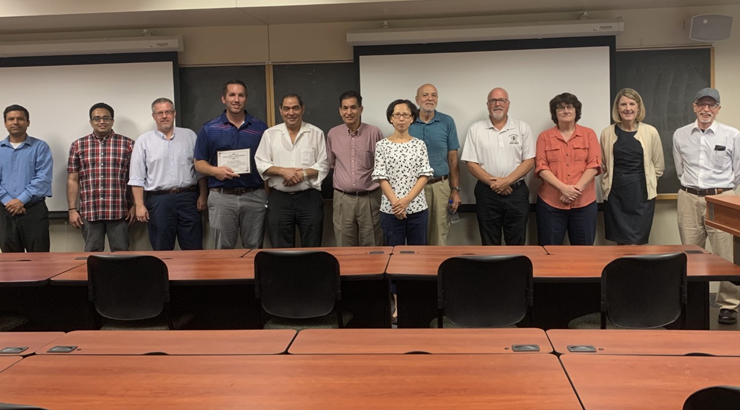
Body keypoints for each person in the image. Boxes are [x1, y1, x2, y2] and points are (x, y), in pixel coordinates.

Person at [673, 87, 740, 325]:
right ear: (694, 106)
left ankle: (728, 305)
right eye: (702, 104)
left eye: (712, 105)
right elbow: (680, 169)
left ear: (719, 109)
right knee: (690, 253)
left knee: (727, 255)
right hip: (689, 197)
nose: (706, 109)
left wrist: (724, 192)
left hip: (722, 198)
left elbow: (737, 171)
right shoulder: (680, 134)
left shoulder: (732, 135)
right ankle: (692, 299)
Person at [194, 80, 268, 250]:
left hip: (254, 196)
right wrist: (214, 171)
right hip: (222, 197)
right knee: (223, 250)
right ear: (223, 99)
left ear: (246, 99)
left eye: (241, 95)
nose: (236, 99)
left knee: (254, 249)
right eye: (232, 95)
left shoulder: (260, 128)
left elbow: (268, 162)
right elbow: (199, 163)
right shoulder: (209, 128)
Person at [129, 98, 207, 250]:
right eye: (160, 113)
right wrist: (139, 205)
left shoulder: (190, 136)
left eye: (168, 112)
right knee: (162, 249)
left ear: (174, 114)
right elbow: (137, 177)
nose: (164, 116)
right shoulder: (143, 141)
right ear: (154, 116)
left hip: (188, 199)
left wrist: (203, 195)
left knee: (194, 248)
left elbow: (200, 170)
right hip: (159, 201)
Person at [461, 88, 535, 245]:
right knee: (489, 241)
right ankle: (491, 271)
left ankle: (514, 271)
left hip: (516, 192)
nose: (497, 104)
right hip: (487, 193)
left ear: (508, 104)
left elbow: (529, 161)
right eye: (493, 100)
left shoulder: (522, 128)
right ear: (487, 105)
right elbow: (471, 164)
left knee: (517, 240)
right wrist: (496, 184)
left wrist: (507, 181)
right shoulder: (476, 129)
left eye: (501, 100)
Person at [255, 94, 328, 248]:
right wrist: (282, 171)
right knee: (281, 249)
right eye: (286, 108)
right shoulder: (270, 134)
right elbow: (261, 164)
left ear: (302, 109)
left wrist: (302, 174)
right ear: (280, 111)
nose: (291, 112)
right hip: (279, 199)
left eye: (295, 108)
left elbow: (323, 164)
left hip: (309, 199)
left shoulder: (316, 133)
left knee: (312, 246)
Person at [535, 93, 601, 246]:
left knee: (583, 255)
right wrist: (563, 189)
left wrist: (573, 191)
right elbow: (541, 166)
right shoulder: (544, 137)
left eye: (569, 107)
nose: (565, 111)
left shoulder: (589, 134)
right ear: (555, 113)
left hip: (584, 204)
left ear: (576, 111)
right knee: (548, 253)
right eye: (560, 108)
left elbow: (593, 165)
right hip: (550, 204)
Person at [67, 102, 135, 252]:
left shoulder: (128, 144)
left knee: (122, 255)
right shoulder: (78, 145)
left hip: (119, 211)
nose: (101, 122)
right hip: (90, 212)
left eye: (106, 118)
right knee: (92, 255)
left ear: (112, 121)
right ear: (91, 122)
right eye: (97, 118)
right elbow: (73, 179)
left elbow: (135, 178)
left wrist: (135, 205)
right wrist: (72, 209)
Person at [601, 88, 664, 245]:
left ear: (638, 107)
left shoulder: (650, 132)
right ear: (617, 108)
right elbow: (604, 165)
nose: (627, 108)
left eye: (631, 104)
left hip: (642, 196)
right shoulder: (607, 133)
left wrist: (645, 180)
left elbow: (658, 166)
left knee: (639, 244)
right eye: (623, 104)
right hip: (616, 196)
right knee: (620, 245)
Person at [326, 90, 384, 246]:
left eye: (353, 107)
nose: (349, 112)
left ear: (361, 109)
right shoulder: (333, 134)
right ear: (340, 110)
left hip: (370, 199)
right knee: (345, 245)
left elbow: (382, 167)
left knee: (373, 245)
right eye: (345, 108)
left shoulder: (374, 133)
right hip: (343, 199)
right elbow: (331, 164)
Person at [372, 99, 434, 246]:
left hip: (417, 208)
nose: (401, 119)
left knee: (418, 255)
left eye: (406, 115)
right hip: (390, 209)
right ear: (390, 118)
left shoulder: (419, 145)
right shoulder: (382, 145)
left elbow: (424, 175)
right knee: (392, 256)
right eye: (397, 115)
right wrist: (396, 205)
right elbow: (381, 177)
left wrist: (406, 201)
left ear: (412, 118)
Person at [408, 84, 461, 246]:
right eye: (425, 95)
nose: (430, 98)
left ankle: (436, 270)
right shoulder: (407, 121)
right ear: (417, 100)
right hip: (413, 187)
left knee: (439, 235)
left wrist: (455, 190)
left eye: (434, 95)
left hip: (440, 186)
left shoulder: (447, 121)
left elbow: (453, 159)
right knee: (415, 234)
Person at [0, 105, 53, 252]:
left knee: (39, 260)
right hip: (5, 211)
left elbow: (43, 178)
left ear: (28, 122)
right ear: (5, 123)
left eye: (20, 119)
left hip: (34, 210)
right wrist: (9, 202)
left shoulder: (40, 147)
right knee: (10, 263)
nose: (15, 122)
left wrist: (21, 200)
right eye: (11, 119)